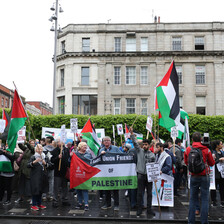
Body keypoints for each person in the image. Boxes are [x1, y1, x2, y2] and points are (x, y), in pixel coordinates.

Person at [184, 132, 215, 224]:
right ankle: (204, 221)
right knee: (205, 199)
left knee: (193, 199)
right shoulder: (206, 149)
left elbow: (186, 162)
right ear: (201, 139)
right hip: (204, 176)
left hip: (193, 176)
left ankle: (191, 221)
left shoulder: (188, 149)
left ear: (192, 139)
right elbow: (212, 163)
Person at [129, 127, 155, 217]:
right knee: (140, 193)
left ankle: (149, 209)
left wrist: (156, 174)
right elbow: (135, 143)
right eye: (143, 144)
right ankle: (139, 209)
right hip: (140, 175)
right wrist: (132, 134)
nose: (144, 146)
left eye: (146, 144)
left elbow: (154, 166)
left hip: (149, 176)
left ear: (149, 145)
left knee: (149, 194)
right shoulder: (139, 151)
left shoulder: (152, 154)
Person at [99, 136, 122, 211]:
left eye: (107, 140)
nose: (106, 142)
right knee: (106, 189)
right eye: (104, 141)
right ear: (103, 142)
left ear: (110, 142)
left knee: (115, 189)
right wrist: (100, 155)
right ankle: (107, 204)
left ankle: (116, 205)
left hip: (115, 172)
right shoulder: (101, 149)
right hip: (106, 173)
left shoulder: (115, 148)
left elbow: (122, 156)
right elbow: (98, 160)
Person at [27, 144, 48, 211]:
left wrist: (46, 164)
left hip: (43, 175)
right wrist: (34, 162)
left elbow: (50, 165)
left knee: (41, 190)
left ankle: (39, 203)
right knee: (35, 190)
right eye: (39, 148)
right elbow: (28, 165)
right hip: (35, 176)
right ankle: (34, 204)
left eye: (41, 148)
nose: (40, 149)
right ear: (36, 149)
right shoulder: (33, 157)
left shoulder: (45, 156)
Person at [51, 138, 70, 207]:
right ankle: (55, 200)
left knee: (65, 187)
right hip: (58, 172)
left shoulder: (66, 150)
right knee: (56, 187)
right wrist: (57, 158)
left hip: (65, 171)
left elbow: (67, 159)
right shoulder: (55, 151)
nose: (62, 142)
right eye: (60, 141)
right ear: (57, 143)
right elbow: (52, 160)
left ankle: (64, 199)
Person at [75, 142, 93, 211]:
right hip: (77, 174)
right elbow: (70, 162)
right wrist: (70, 156)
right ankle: (79, 203)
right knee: (78, 189)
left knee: (85, 189)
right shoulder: (76, 154)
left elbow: (91, 162)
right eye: (84, 146)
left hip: (85, 174)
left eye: (86, 146)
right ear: (80, 147)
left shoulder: (88, 154)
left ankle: (86, 204)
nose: (85, 147)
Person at [210, 140, 224, 207]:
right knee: (214, 187)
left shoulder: (222, 152)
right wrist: (219, 160)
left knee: (222, 187)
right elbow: (212, 162)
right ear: (217, 145)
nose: (222, 145)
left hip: (222, 172)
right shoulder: (213, 153)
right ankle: (213, 200)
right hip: (215, 173)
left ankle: (222, 200)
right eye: (221, 144)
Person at [42, 136, 55, 201]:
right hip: (52, 167)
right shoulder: (54, 149)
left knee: (44, 181)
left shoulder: (43, 149)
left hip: (44, 167)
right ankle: (51, 195)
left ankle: (44, 195)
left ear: (46, 141)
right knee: (51, 181)